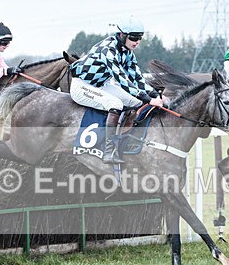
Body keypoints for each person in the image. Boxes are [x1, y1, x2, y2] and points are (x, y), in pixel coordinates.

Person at [69, 17, 164, 163]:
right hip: (83, 86)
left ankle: (127, 141)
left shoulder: (127, 53)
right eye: (134, 37)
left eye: (140, 37)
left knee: (137, 102)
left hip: (102, 84)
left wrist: (154, 94)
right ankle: (108, 151)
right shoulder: (108, 50)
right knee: (116, 104)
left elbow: (137, 78)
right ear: (122, 35)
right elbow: (122, 80)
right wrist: (149, 99)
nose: (137, 41)